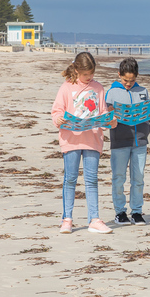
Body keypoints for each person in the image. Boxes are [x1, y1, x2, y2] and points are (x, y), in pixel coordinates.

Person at [51, 52, 117, 234]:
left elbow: (103, 114)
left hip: (92, 139)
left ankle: (94, 219)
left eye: (92, 74)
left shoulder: (98, 88)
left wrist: (110, 121)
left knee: (91, 180)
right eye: (86, 74)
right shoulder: (66, 87)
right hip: (71, 139)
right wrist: (59, 120)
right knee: (70, 179)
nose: (89, 77)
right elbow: (56, 111)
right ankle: (67, 219)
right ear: (77, 70)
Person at [105, 57, 150, 226]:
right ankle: (120, 212)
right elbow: (106, 118)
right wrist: (110, 113)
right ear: (119, 75)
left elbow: (148, 117)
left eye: (132, 80)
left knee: (138, 178)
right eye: (125, 80)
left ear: (137, 76)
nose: (128, 84)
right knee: (119, 177)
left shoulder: (143, 91)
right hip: (120, 141)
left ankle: (136, 212)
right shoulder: (111, 92)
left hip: (140, 141)